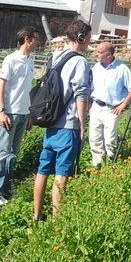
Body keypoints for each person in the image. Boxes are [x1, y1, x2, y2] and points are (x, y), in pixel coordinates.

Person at [33, 20, 92, 220]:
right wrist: (83, 126)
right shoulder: (80, 61)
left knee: (43, 170)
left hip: (50, 123)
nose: (89, 42)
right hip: (68, 125)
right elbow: (81, 96)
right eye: (88, 38)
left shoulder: (55, 56)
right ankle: (57, 221)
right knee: (62, 174)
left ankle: (37, 215)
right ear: (81, 38)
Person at [0, 26, 41, 206]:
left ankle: (5, 189)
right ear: (27, 39)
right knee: (2, 154)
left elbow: (26, 91)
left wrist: (30, 114)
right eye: (36, 38)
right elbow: (1, 86)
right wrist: (1, 111)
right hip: (10, 113)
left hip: (24, 114)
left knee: (12, 154)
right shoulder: (11, 60)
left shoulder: (30, 61)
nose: (38, 42)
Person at [89, 42, 131, 169]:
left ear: (109, 55)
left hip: (111, 109)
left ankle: (111, 166)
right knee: (94, 139)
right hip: (96, 107)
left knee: (110, 141)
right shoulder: (96, 67)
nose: (96, 54)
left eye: (99, 52)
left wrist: (123, 105)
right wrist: (90, 106)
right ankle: (97, 167)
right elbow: (90, 88)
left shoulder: (121, 69)